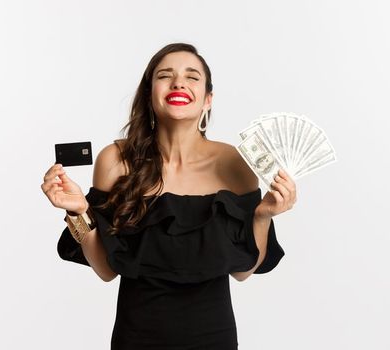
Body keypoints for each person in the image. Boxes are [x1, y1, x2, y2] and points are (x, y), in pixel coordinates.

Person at [41, 42, 297, 349]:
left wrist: (262, 216)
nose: (179, 82)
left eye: (192, 77)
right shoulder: (115, 161)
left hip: (214, 338)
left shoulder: (236, 164)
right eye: (165, 75)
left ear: (208, 99)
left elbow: (243, 271)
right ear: (150, 94)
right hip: (136, 339)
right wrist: (77, 211)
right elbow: (107, 270)